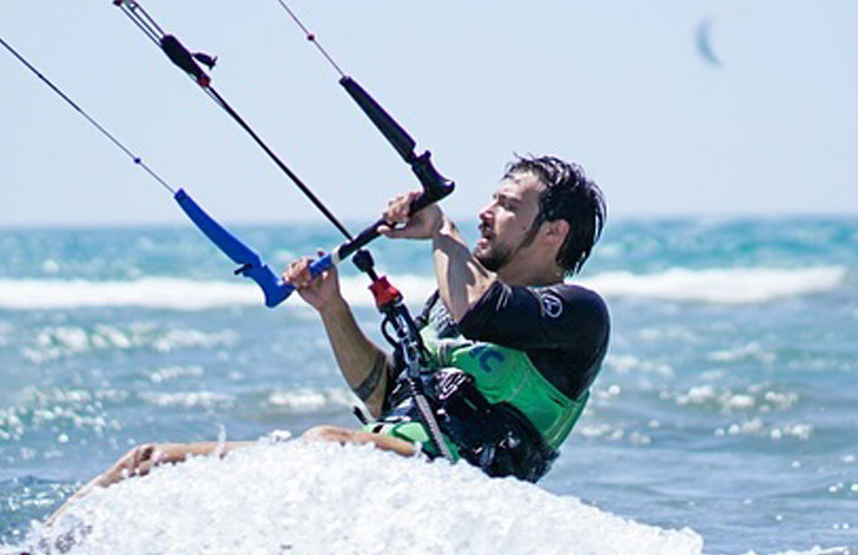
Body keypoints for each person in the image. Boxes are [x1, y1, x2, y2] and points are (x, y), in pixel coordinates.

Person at [68, 156, 608, 503]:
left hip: (463, 488)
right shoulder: (445, 304)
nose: (487, 213)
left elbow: (482, 312)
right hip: (385, 458)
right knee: (149, 462)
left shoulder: (578, 314)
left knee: (325, 444)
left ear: (553, 232)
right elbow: (387, 398)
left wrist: (443, 230)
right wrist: (332, 308)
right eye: (491, 200)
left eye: (508, 206)